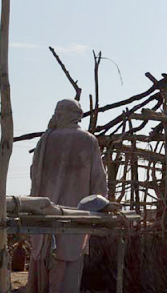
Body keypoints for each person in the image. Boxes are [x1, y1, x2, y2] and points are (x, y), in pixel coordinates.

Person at [27, 99, 108, 293]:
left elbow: (33, 176)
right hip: (73, 226)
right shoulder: (88, 141)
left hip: (42, 226)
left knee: (41, 284)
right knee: (67, 283)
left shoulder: (45, 140)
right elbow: (99, 183)